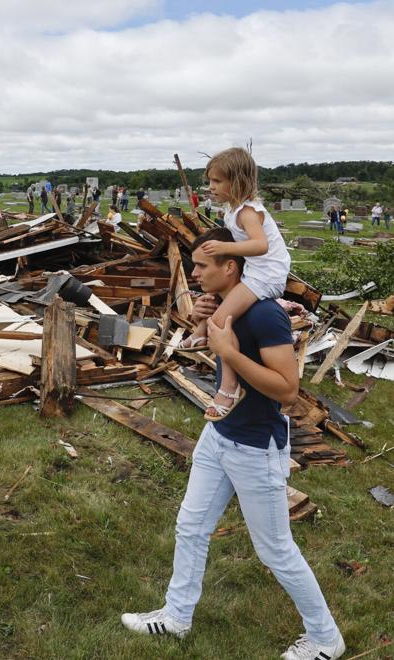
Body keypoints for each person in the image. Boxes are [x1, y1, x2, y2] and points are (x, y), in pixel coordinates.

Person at [122, 226, 345, 660]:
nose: (194, 272)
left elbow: (287, 390)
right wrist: (205, 324)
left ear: (231, 266)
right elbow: (204, 346)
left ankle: (325, 639)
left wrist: (231, 350)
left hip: (255, 446)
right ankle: (176, 617)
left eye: (202, 266)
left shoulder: (265, 315)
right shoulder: (225, 305)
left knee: (275, 550)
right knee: (191, 526)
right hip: (219, 437)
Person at [178, 147, 291, 423]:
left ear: (237, 182)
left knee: (220, 321)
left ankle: (230, 386)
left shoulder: (248, 212)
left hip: (266, 273)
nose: (210, 187)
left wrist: (226, 246)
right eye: (210, 181)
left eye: (217, 181)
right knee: (219, 314)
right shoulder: (234, 211)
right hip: (256, 271)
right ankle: (201, 331)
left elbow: (261, 245)